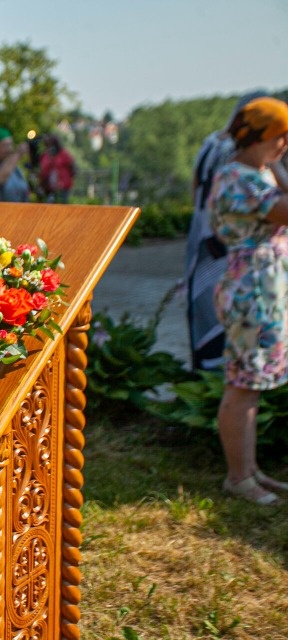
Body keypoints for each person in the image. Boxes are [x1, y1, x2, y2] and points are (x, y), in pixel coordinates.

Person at [209, 97, 288, 505]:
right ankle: (238, 478)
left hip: (259, 291)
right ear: (260, 135)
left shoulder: (254, 174)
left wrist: (274, 166)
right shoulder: (239, 178)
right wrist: (276, 169)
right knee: (243, 384)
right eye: (281, 136)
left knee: (250, 384)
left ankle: (250, 470)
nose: (285, 144)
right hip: (251, 292)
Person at [185, 91, 268, 371]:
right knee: (231, 310)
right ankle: (222, 375)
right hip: (231, 241)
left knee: (203, 304)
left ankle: (203, 370)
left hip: (202, 232)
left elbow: (196, 185)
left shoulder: (211, 142)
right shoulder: (242, 151)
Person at [38, 135, 76, 203]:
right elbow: (43, 170)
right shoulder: (46, 155)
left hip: (63, 186)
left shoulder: (63, 154)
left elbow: (72, 166)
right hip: (49, 187)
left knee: (62, 203)